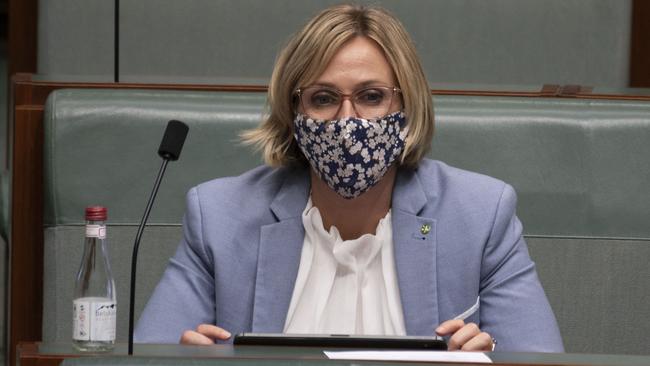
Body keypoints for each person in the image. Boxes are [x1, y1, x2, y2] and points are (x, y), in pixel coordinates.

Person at [135, 4, 564, 352]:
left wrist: (486, 363)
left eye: (371, 96)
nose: (347, 120)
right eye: (322, 99)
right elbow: (146, 355)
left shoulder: (480, 214)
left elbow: (540, 359)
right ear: (294, 112)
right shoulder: (220, 216)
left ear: (408, 105)